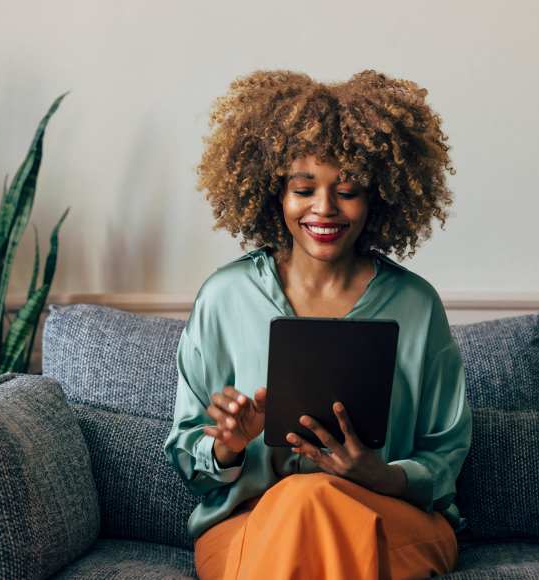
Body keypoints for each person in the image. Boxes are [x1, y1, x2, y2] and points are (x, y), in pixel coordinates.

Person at [162, 69, 472, 580]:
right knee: (302, 505)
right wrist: (228, 445)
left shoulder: (415, 305)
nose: (324, 208)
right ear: (273, 193)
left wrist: (383, 475)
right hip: (250, 524)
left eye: (347, 190)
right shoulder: (225, 297)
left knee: (313, 503)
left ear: (377, 198)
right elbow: (188, 455)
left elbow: (445, 453)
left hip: (387, 517)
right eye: (303, 189)